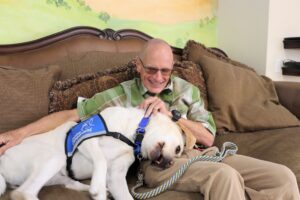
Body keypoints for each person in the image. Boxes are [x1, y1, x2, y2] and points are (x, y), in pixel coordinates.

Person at [0, 39, 299, 200]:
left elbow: (208, 138)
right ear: (139, 66)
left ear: (172, 70)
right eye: (151, 69)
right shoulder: (123, 96)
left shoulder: (186, 91)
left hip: (204, 153)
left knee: (282, 177)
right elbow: (70, 116)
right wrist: (19, 133)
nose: (157, 77)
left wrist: (173, 116)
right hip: (158, 163)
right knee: (224, 177)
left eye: (165, 71)